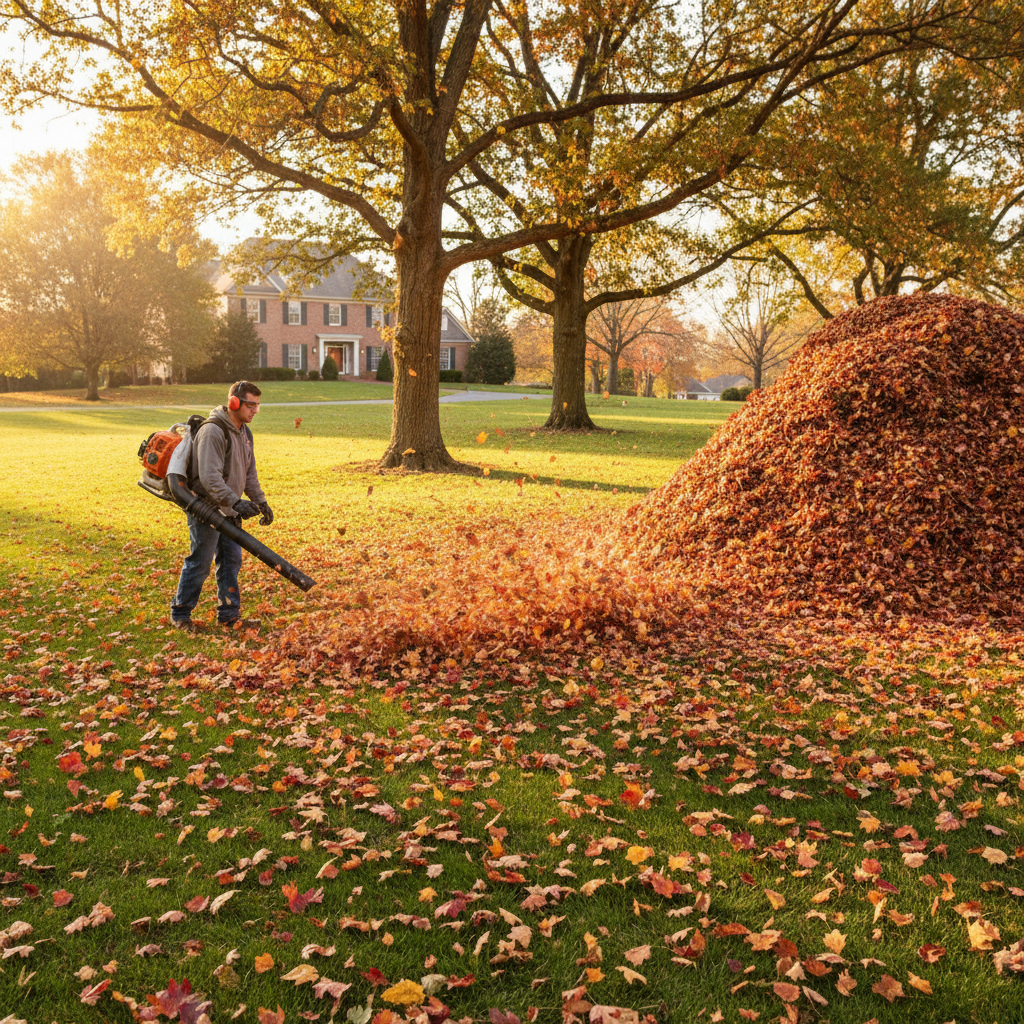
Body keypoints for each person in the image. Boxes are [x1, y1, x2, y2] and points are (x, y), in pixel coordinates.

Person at [171, 381, 273, 632]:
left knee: (230, 561)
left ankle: (229, 615)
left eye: (258, 405)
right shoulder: (213, 431)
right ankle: (180, 613)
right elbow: (209, 477)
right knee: (201, 561)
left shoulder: (244, 432)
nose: (255, 411)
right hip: (206, 507)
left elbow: (249, 473)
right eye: (250, 405)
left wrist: (260, 501)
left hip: (228, 509)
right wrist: (236, 501)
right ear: (234, 403)